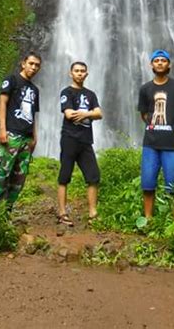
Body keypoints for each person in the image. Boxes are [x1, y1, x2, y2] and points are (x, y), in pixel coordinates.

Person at [138, 49, 174, 219]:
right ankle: (148, 219)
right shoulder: (145, 88)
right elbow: (144, 113)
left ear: (169, 64)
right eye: (156, 60)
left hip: (172, 144)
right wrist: (155, 127)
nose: (160, 63)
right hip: (150, 144)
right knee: (147, 183)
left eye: (163, 60)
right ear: (151, 64)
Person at [0, 52, 41, 210]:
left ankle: (6, 212)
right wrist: (2, 130)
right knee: (1, 173)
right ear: (23, 63)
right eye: (31, 63)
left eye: (37, 65)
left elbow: (33, 114)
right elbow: (2, 104)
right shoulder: (11, 80)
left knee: (19, 178)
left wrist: (35, 137)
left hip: (26, 138)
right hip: (12, 134)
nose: (34, 67)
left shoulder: (34, 89)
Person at [57, 62, 102, 226]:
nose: (80, 74)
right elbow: (69, 114)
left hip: (85, 141)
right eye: (76, 71)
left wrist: (84, 114)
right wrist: (90, 114)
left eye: (83, 71)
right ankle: (62, 213)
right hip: (69, 138)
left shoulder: (91, 94)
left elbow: (100, 113)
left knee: (93, 176)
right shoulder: (66, 92)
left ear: (87, 74)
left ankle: (92, 213)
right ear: (71, 73)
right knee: (64, 176)